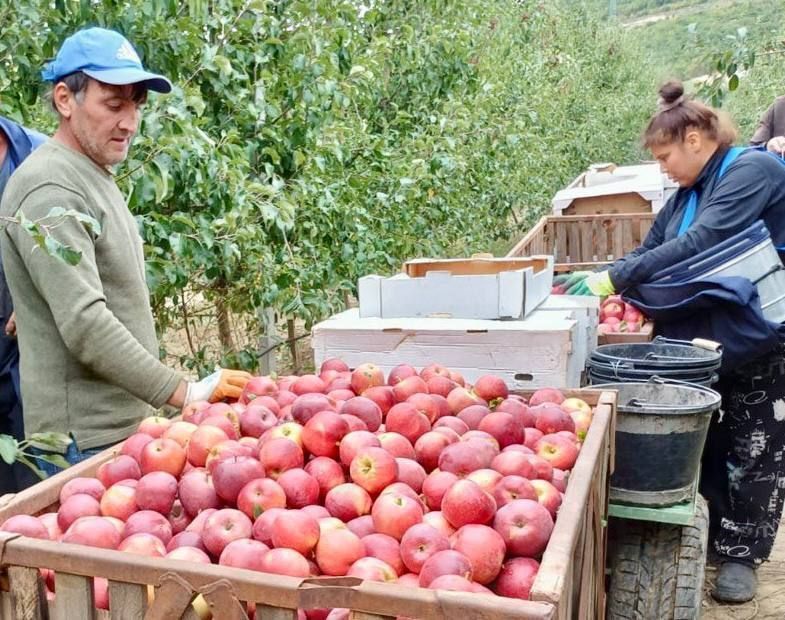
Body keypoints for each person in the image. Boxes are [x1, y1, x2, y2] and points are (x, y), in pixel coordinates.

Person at [0, 28, 251, 477]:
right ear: (65, 99)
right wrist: (182, 391)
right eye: (114, 105)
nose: (130, 122)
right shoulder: (50, 185)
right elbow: (84, 322)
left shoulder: (87, 171)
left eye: (136, 105)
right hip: (84, 442)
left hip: (116, 431)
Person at [573, 80, 785, 604]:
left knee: (755, 438)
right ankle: (712, 532)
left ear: (695, 139)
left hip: (760, 326)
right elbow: (652, 246)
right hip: (708, 329)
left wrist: (616, 279)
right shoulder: (685, 195)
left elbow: (704, 240)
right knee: (709, 435)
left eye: (665, 156)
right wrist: (611, 279)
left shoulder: (752, 171)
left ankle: (742, 554)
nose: (663, 168)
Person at [0, 115, 46, 493]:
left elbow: (90, 247)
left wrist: (39, 289)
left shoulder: (39, 156)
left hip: (25, 362)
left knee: (29, 494)